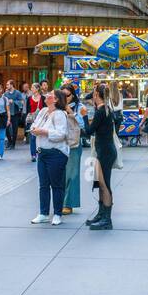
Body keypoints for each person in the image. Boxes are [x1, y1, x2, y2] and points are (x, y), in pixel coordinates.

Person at [81, 82, 117, 231]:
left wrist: (83, 117)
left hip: (105, 151)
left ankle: (106, 219)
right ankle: (102, 215)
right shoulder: (106, 109)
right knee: (101, 184)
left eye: (94, 93)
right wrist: (96, 92)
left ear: (97, 95)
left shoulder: (101, 111)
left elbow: (89, 131)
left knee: (104, 185)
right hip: (105, 150)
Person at [30, 89, 69, 226]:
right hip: (42, 153)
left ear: (56, 99)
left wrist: (44, 132)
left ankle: (57, 214)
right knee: (43, 184)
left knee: (57, 185)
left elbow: (61, 134)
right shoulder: (43, 111)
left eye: (50, 94)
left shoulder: (59, 114)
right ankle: (43, 213)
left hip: (56, 153)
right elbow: (34, 125)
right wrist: (35, 130)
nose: (47, 95)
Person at [60, 84, 83, 213]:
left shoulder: (80, 107)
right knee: (60, 175)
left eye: (67, 95)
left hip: (73, 144)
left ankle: (68, 203)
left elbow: (83, 124)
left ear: (72, 96)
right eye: (62, 95)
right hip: (59, 144)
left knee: (72, 174)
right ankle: (61, 201)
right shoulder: (57, 108)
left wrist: (71, 112)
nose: (64, 98)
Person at [26, 82, 45, 160]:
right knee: (33, 137)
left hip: (41, 120)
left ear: (37, 89)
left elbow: (45, 109)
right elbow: (27, 110)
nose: (31, 89)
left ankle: (40, 152)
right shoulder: (29, 98)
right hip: (32, 120)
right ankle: (33, 155)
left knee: (41, 137)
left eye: (33, 87)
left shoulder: (43, 98)